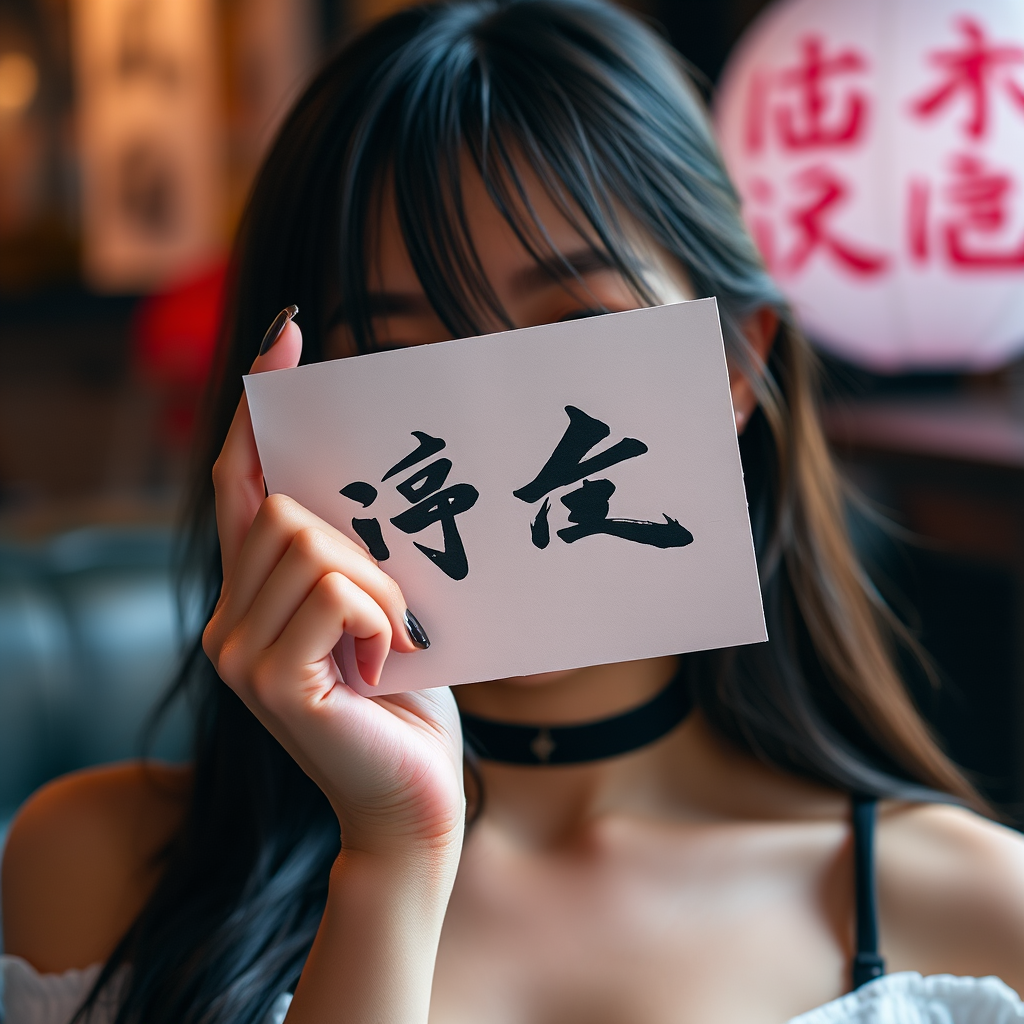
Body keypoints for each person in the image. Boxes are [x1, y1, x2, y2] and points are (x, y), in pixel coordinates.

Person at [4, 2, 1024, 1022]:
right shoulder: (95, 871)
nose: (492, 406)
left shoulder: (978, 914)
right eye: (393, 348)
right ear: (265, 413)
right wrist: (391, 859)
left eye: (576, 319)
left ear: (734, 363)